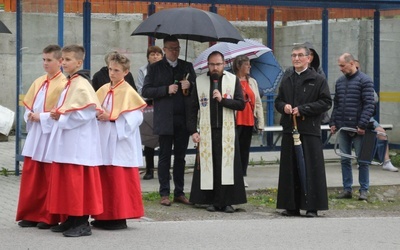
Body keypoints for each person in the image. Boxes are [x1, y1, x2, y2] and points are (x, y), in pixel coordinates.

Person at [45, 44, 104, 237]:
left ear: (79, 62)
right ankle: (71, 219)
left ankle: (82, 222)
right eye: (62, 59)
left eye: (68, 59)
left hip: (80, 144)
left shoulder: (81, 84)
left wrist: (60, 117)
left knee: (78, 183)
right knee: (69, 183)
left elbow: (87, 112)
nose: (63, 62)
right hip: (70, 143)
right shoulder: (71, 82)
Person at [275, 44, 332, 218]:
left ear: (309, 58)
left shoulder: (318, 79)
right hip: (289, 130)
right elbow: (278, 101)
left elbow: (325, 102)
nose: (296, 58)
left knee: (311, 169)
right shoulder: (287, 77)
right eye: (293, 55)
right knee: (289, 169)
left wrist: (303, 109)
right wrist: (284, 107)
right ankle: (291, 206)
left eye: (300, 55)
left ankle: (312, 207)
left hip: (309, 130)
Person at [92, 52, 147, 230]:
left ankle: (118, 217)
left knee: (118, 180)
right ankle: (103, 215)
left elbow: (136, 117)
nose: (112, 73)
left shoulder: (129, 91)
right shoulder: (103, 89)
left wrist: (113, 117)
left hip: (119, 141)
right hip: (103, 140)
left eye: (116, 70)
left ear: (125, 72)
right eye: (110, 69)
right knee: (104, 177)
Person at [188, 51, 247, 213]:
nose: (215, 68)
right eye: (212, 64)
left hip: (227, 131)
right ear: (208, 65)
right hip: (207, 131)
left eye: (218, 64)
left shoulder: (232, 80)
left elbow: (241, 104)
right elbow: (192, 108)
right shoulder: (199, 81)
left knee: (226, 166)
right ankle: (211, 200)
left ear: (224, 64)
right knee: (210, 166)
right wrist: (193, 130)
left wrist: (223, 100)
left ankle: (227, 201)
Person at [16, 44, 67, 229]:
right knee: (32, 176)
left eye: (49, 60)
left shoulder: (63, 84)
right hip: (36, 134)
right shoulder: (39, 81)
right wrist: (29, 115)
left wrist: (42, 117)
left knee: (48, 177)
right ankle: (31, 213)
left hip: (50, 134)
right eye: (43, 60)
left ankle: (48, 216)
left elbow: (62, 112)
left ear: (60, 62)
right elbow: (29, 105)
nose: (45, 64)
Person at [142, 35, 196, 206]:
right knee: (165, 156)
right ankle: (164, 192)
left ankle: (179, 192)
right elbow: (146, 91)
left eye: (177, 48)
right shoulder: (155, 68)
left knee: (180, 157)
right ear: (164, 50)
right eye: (172, 48)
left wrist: (191, 85)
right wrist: (166, 89)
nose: (175, 51)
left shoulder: (186, 66)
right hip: (164, 118)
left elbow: (197, 90)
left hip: (182, 118)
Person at [330, 53, 375, 201]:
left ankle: (364, 190)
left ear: (351, 64)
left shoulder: (365, 81)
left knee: (362, 161)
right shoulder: (340, 82)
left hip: (359, 128)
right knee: (344, 159)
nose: (341, 69)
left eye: (342, 66)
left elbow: (369, 104)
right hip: (344, 127)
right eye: (340, 66)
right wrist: (333, 122)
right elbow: (337, 104)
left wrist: (362, 124)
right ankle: (347, 189)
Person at [354, 59, 398, 172]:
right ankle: (361, 160)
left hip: (367, 118)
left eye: (358, 68)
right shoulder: (345, 82)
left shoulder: (364, 81)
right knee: (361, 135)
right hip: (352, 119)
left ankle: (386, 162)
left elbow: (374, 99)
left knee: (381, 133)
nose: (357, 70)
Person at [232, 55, 264, 187]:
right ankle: (234, 175)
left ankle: (243, 175)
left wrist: (261, 123)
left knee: (245, 150)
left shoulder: (253, 82)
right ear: (239, 66)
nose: (249, 67)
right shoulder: (232, 81)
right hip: (236, 119)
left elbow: (258, 103)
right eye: (246, 64)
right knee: (235, 150)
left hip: (249, 120)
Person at [136, 46, 163, 180]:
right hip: (149, 106)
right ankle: (149, 169)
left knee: (164, 139)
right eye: (152, 54)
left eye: (158, 54)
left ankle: (164, 169)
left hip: (163, 106)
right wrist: (157, 92)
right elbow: (142, 89)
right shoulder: (143, 70)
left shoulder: (166, 69)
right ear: (148, 57)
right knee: (149, 139)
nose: (155, 57)